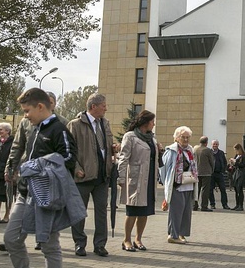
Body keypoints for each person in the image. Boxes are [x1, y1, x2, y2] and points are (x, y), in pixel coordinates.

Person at [0, 88, 81, 268]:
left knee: (49, 245)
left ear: (40, 107)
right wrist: (16, 168)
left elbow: (70, 158)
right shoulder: (33, 128)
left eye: (27, 111)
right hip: (24, 194)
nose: (25, 115)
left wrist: (38, 165)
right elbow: (22, 151)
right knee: (11, 238)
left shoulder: (59, 129)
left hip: (46, 197)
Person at [67, 93, 115, 257]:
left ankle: (100, 244)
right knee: (79, 212)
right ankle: (79, 244)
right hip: (83, 176)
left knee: (102, 211)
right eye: (103, 106)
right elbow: (68, 150)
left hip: (102, 176)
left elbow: (105, 145)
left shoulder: (105, 123)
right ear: (93, 106)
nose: (106, 109)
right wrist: (76, 168)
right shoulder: (75, 124)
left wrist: (113, 148)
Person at [117, 109, 160, 252]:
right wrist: (121, 177)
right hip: (135, 178)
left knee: (145, 211)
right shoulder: (130, 136)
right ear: (146, 123)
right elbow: (123, 158)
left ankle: (138, 239)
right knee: (133, 211)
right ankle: (127, 239)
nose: (154, 124)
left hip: (149, 179)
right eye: (152, 122)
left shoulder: (152, 139)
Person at [160, 126, 197, 244]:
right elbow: (163, 168)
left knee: (186, 211)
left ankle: (182, 234)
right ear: (176, 138)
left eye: (187, 137)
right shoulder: (171, 151)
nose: (186, 140)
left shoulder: (190, 150)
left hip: (189, 184)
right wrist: (166, 183)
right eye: (183, 137)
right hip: (176, 185)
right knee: (176, 211)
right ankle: (173, 235)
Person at [193, 136, 214, 212]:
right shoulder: (208, 150)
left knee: (196, 189)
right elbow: (212, 161)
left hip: (196, 172)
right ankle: (204, 206)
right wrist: (212, 169)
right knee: (205, 190)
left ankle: (194, 205)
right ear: (206, 143)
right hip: (206, 172)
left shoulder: (195, 149)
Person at [208, 139, 230, 210]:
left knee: (223, 189)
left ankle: (225, 204)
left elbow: (224, 162)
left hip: (219, 173)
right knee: (210, 189)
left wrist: (223, 170)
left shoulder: (221, 153)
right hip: (211, 174)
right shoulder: (209, 152)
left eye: (216, 144)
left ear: (218, 145)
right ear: (211, 145)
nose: (215, 145)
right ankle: (212, 204)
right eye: (214, 144)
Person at [230, 144, 245, 211]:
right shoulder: (237, 156)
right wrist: (232, 163)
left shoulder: (243, 156)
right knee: (236, 190)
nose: (235, 152)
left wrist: (235, 163)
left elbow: (243, 165)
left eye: (236, 150)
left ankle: (241, 205)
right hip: (236, 173)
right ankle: (237, 204)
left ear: (239, 149)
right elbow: (235, 163)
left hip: (241, 173)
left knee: (240, 189)